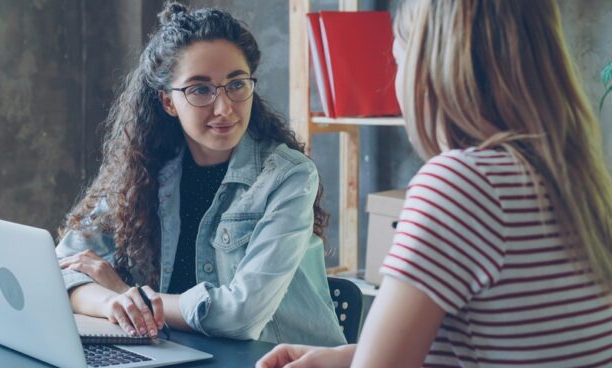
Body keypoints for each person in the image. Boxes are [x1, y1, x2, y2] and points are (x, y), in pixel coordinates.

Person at [257, 0, 612, 366]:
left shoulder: (462, 183)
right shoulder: (568, 178)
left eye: (398, 60)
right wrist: (339, 359)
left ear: (429, 71)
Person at [54, 1, 346, 347]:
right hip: (184, 353)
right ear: (168, 102)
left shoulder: (288, 176)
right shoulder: (143, 167)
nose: (224, 108)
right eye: (200, 89)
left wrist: (130, 294)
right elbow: (61, 269)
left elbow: (241, 316)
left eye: (236, 84)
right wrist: (111, 302)